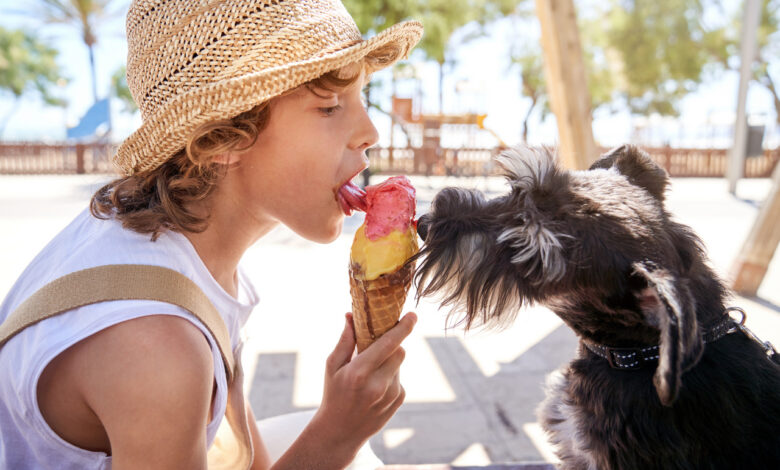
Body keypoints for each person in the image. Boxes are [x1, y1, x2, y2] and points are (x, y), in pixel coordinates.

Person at [0, 0, 423, 468]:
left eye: (362, 97)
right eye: (328, 107)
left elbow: (249, 460)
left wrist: (338, 426)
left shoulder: (182, 253)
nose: (370, 132)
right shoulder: (157, 345)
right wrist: (336, 436)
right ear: (220, 138)